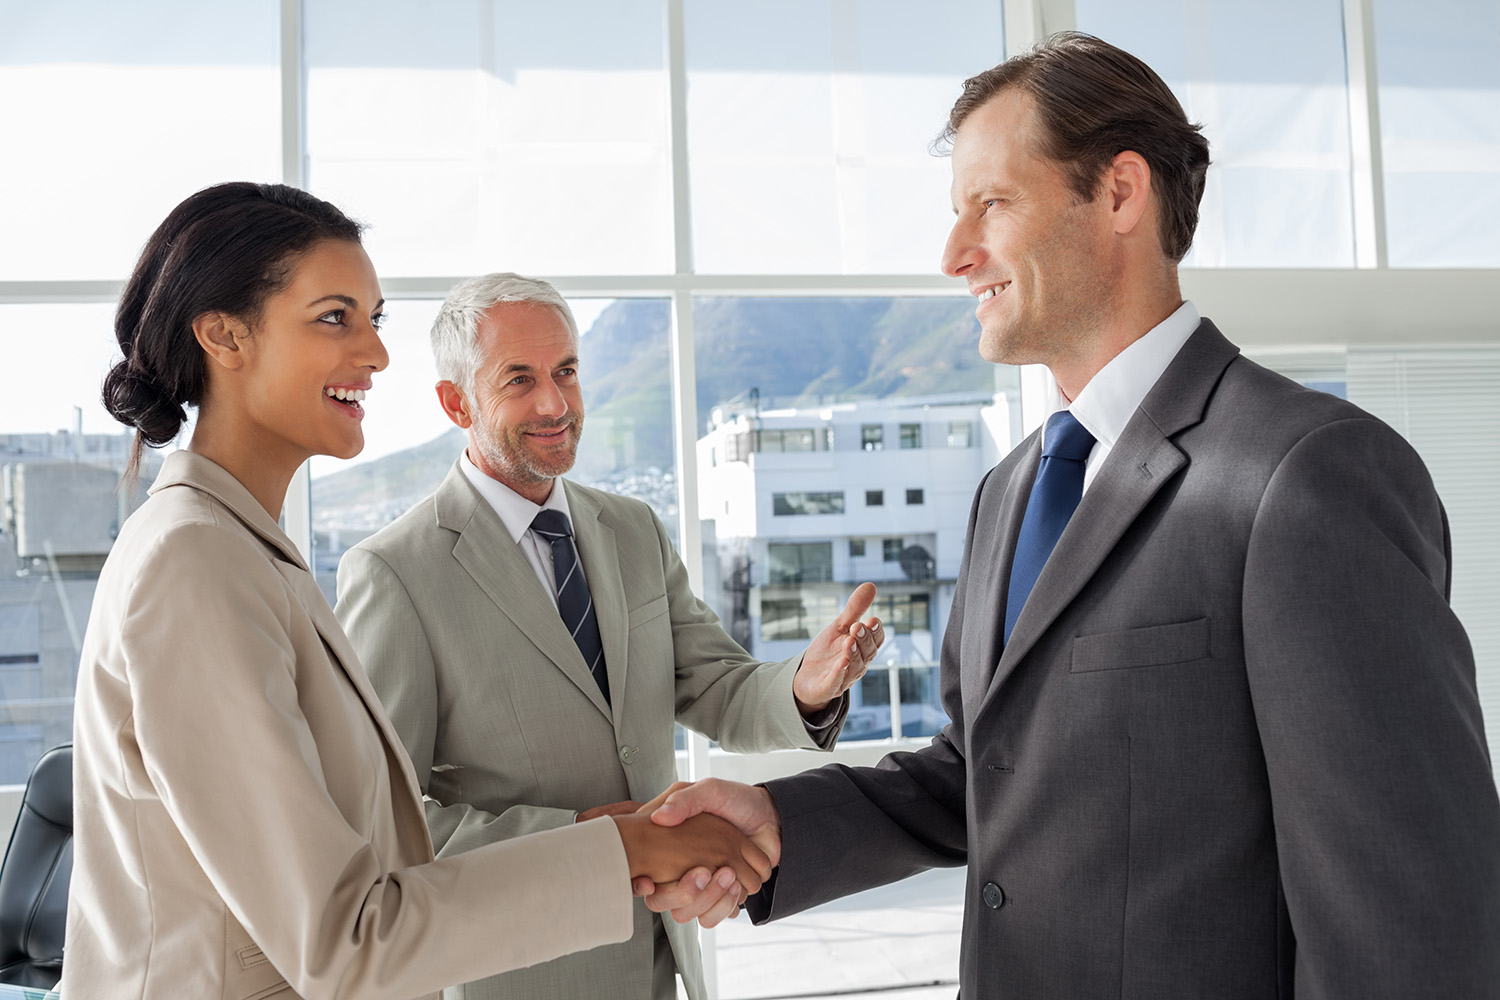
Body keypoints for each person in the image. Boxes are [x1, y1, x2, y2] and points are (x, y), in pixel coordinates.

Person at [642, 32, 1500, 998]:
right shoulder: (1009, 490)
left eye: (991, 204)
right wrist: (776, 820)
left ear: (1122, 192)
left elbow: (1409, 929)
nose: (954, 253)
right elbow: (984, 773)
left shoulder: (1308, 475)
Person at [62, 182, 772, 1000]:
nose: (376, 353)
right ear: (225, 336)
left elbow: (367, 860)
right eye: (336, 317)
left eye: (375, 318)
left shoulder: (249, 552)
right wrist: (627, 852)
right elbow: (343, 940)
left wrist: (623, 836)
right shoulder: (193, 563)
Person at [333, 272, 885, 1000]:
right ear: (455, 402)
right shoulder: (395, 573)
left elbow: (715, 686)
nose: (556, 404)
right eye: (519, 380)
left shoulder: (632, 529)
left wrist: (806, 687)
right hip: (524, 973)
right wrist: (597, 843)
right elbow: (389, 821)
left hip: (666, 956)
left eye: (565, 371)